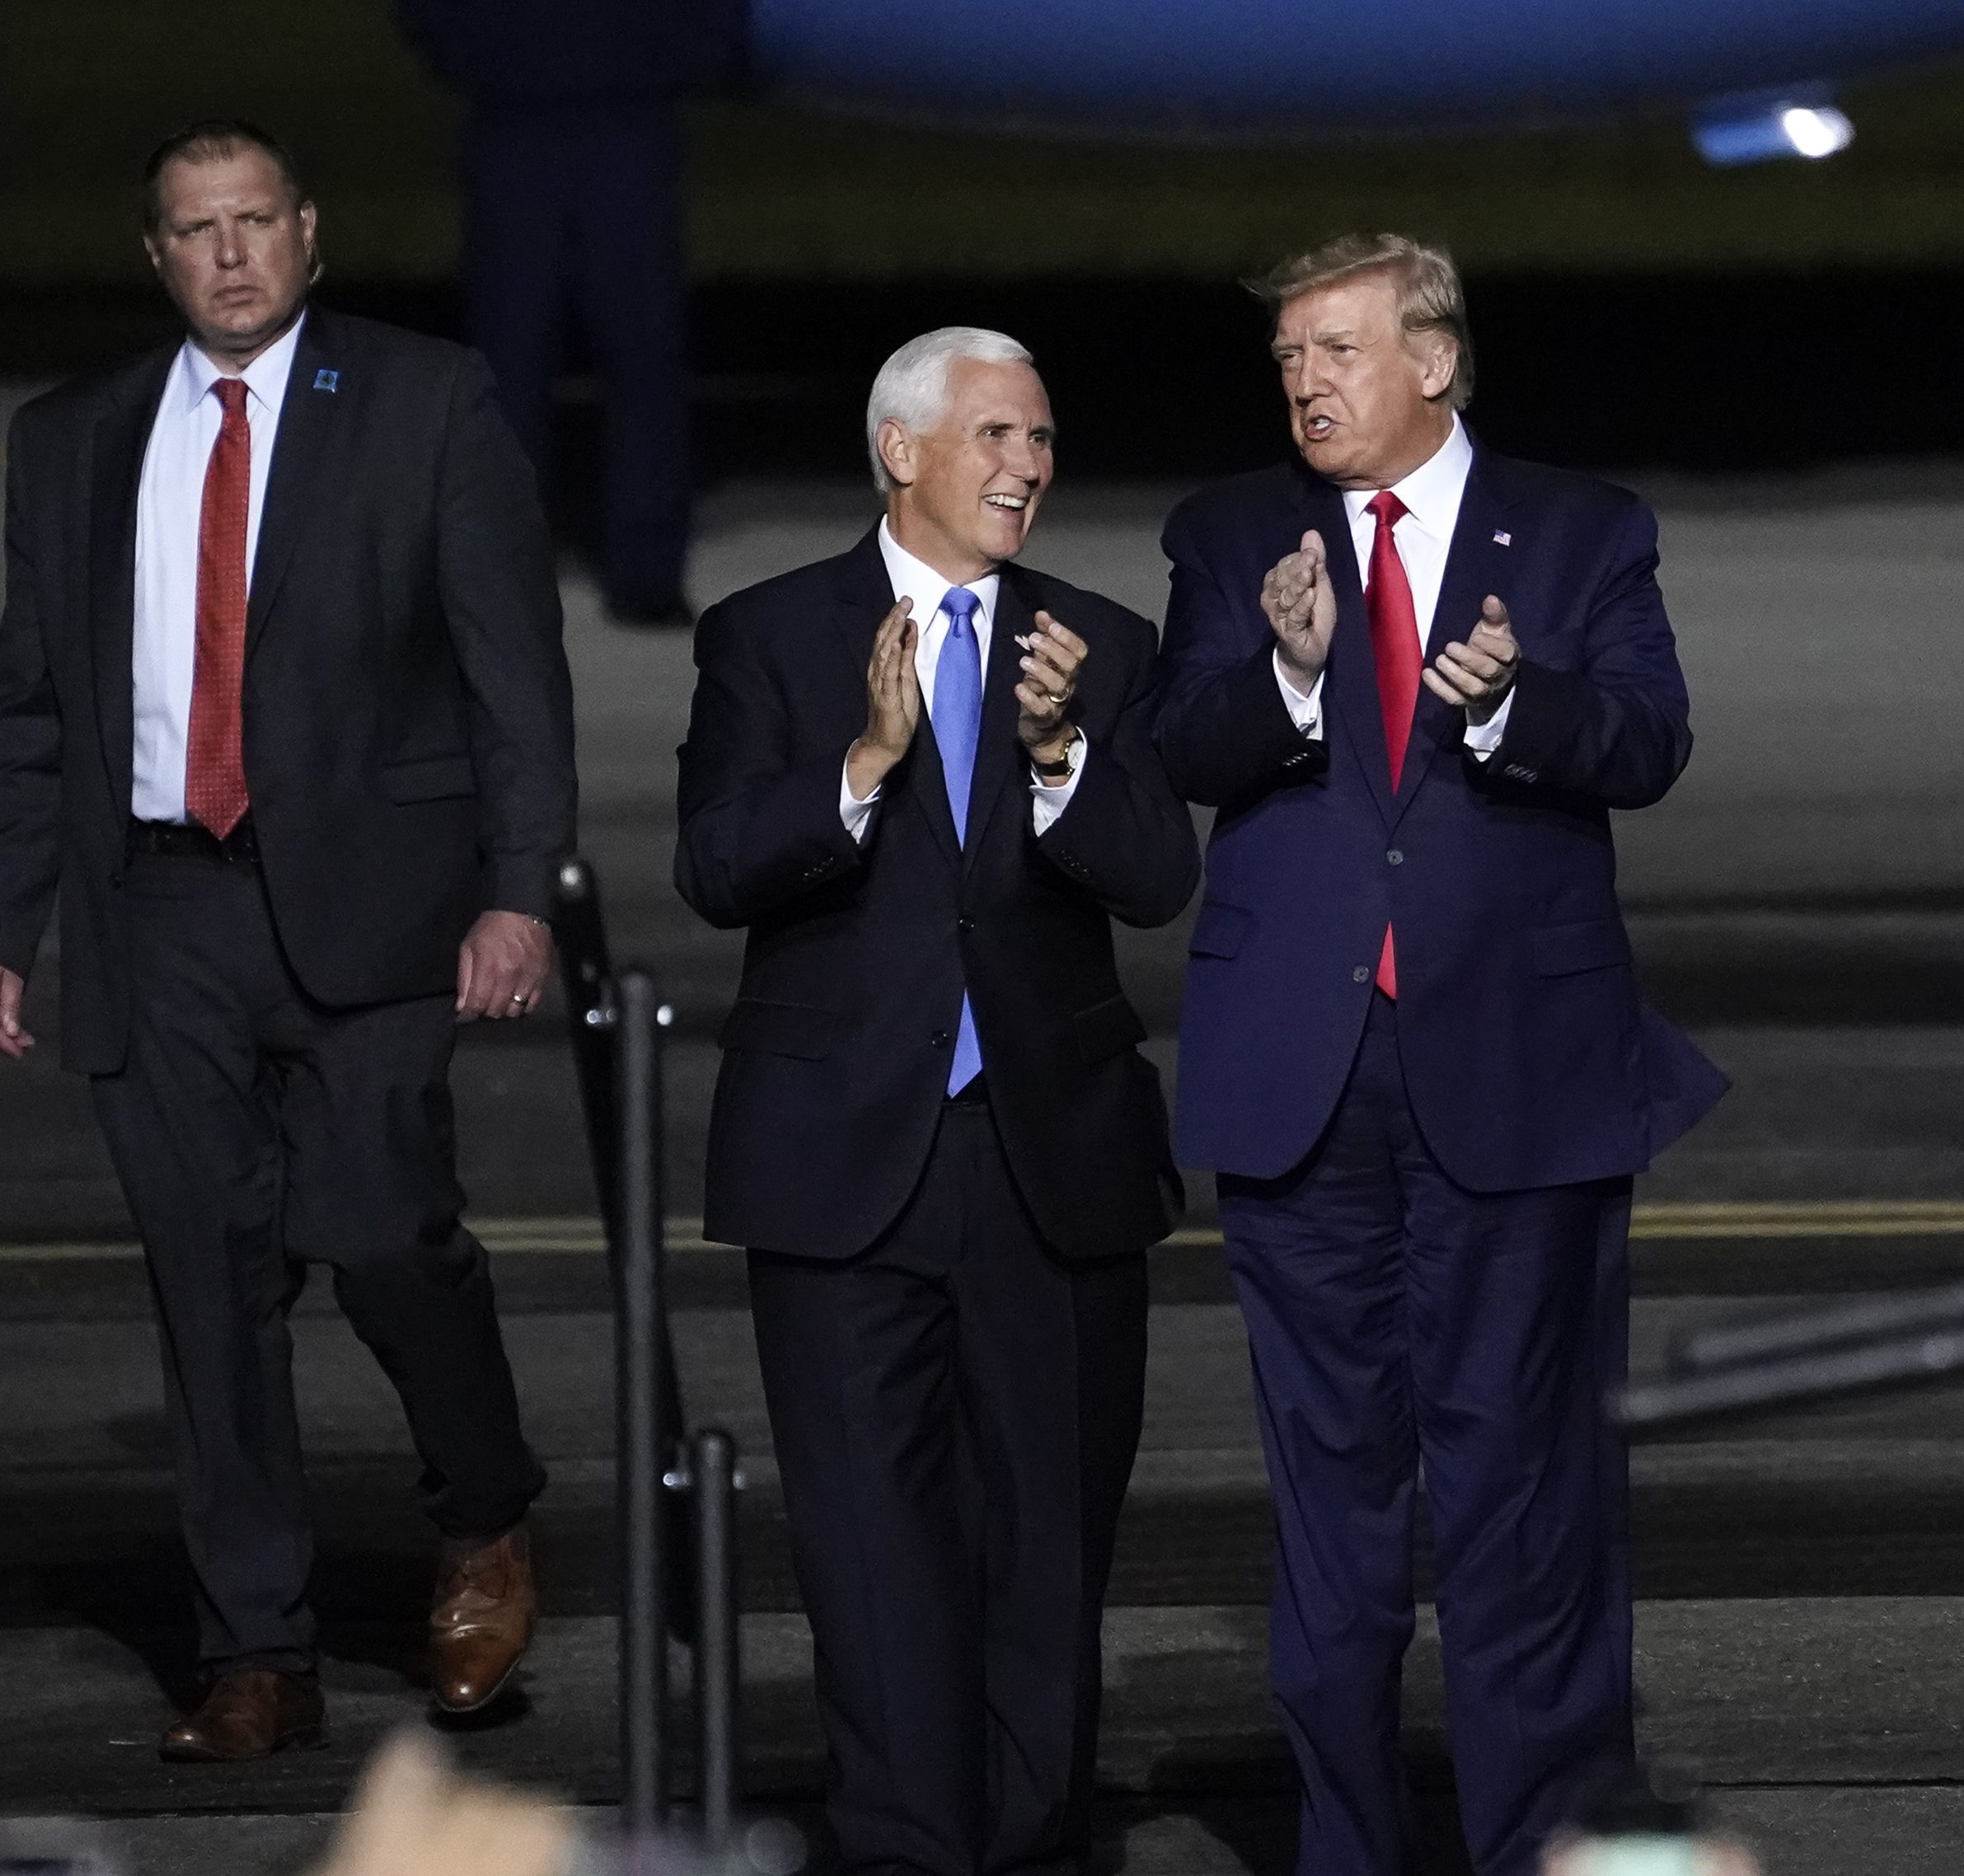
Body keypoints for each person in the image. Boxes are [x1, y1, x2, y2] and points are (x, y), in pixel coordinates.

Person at [1153, 232, 1729, 1876]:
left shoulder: (1577, 528)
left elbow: (1645, 740)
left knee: (1525, 1502)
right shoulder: (1229, 534)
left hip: (1517, 1073)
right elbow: (1175, 744)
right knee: (1331, 1519)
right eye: (1285, 359)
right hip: (1300, 1082)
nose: (1301, 382)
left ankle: (1542, 1846)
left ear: (1432, 360)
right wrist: (1281, 667)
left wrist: (1507, 706)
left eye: (1332, 351)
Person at [0, 122, 574, 1758]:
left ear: (309, 231)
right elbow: (30, 713)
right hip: (154, 910)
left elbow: (508, 672)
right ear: (157, 253)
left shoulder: (422, 399)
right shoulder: (70, 442)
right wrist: (7, 929)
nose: (233, 253)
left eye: (258, 220)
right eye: (199, 229)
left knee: (389, 1230)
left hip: (374, 904)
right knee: (209, 1286)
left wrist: (518, 889)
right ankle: (257, 1644)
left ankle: (480, 1502)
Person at [675, 327, 1198, 1874]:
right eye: (994, 437)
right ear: (901, 451)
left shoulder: (1098, 639)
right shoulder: (768, 635)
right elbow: (712, 866)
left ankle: (1033, 1844)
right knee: (871, 1554)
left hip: (1050, 1162)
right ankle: (908, 1850)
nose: (1028, 465)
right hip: (844, 1164)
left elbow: (1161, 873)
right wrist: (862, 759)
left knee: (1048, 1554)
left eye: (1041, 438)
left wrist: (1057, 758)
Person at [395, 0, 746, 626]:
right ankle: (503, 571)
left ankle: (646, 568)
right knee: (508, 363)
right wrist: (493, 68)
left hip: (626, 131)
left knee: (644, 359)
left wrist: (652, 68)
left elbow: (713, 17)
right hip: (516, 132)